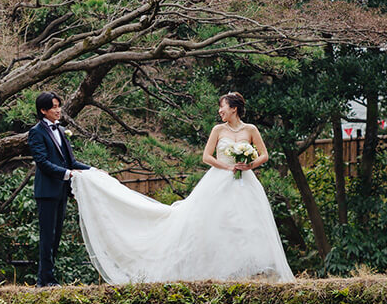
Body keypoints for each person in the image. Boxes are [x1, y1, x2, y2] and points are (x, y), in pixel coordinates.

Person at [71, 92, 294, 283]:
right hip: (219, 179)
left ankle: (249, 270)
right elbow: (207, 156)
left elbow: (264, 154)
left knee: (247, 222)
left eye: (222, 107)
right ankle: (216, 269)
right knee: (211, 222)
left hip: (246, 180)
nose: (220, 111)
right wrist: (226, 168)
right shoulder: (218, 130)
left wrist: (249, 164)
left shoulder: (251, 129)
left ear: (234, 108)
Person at [28, 91, 92, 287]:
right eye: (54, 107)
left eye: (59, 106)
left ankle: (45, 279)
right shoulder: (36, 132)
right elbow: (43, 163)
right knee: (47, 237)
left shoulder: (62, 130)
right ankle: (46, 280)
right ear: (43, 110)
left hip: (62, 191)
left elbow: (70, 161)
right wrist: (68, 174)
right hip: (46, 192)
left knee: (56, 237)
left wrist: (93, 171)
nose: (58, 110)